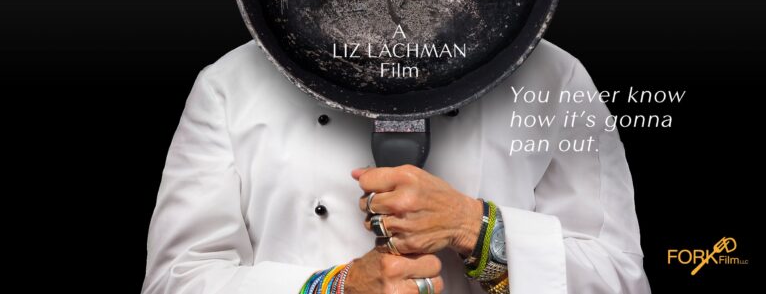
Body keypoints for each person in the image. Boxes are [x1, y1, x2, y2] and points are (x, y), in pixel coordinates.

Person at [141, 38, 650, 294]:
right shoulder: (232, 83)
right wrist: (335, 288)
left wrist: (475, 228)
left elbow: (621, 278)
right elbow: (176, 279)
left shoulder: (553, 77)